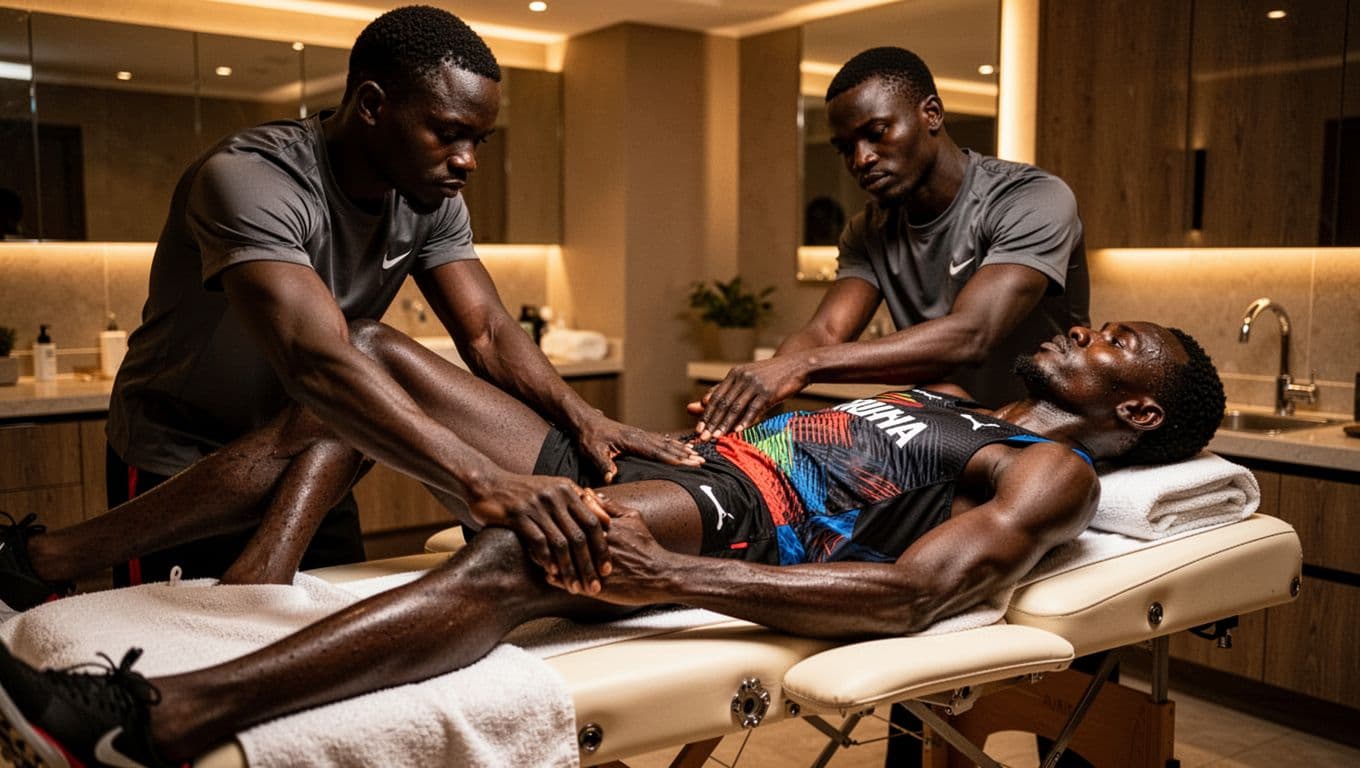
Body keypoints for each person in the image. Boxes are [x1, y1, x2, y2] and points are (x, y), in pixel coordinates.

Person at [0, 317, 1225, 767]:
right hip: (673, 470)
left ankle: (167, 718)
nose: (1084, 330)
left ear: (1135, 413)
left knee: (523, 556)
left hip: (726, 521)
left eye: (1114, 343)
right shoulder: (957, 406)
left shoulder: (1051, 473)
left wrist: (668, 573)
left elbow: (911, 596)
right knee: (363, 361)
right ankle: (94, 567)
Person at [105, 5, 696, 589]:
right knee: (178, 633)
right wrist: (483, 479)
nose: (467, 160)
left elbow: (487, 332)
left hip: (314, 449)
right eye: (448, 133)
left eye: (479, 139)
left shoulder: (430, 198)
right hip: (183, 460)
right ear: (371, 105)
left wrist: (586, 417)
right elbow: (319, 362)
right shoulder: (253, 178)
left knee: (317, 617)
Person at [695, 46, 1089, 440]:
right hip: (953, 433)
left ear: (931, 113)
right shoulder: (868, 230)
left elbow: (972, 334)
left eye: (877, 133)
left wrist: (802, 366)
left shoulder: (1029, 198)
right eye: (845, 148)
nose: (861, 159)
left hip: (1050, 432)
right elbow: (825, 332)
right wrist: (753, 395)